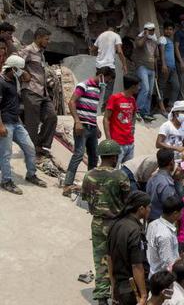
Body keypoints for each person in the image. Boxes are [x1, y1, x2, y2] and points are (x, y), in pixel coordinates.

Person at [81, 139, 130, 305]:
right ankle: (117, 302)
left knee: (100, 262)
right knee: (118, 262)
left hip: (98, 224)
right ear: (115, 156)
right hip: (117, 224)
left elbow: (85, 199)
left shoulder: (89, 176)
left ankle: (102, 303)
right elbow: (128, 201)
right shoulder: (120, 176)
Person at [63, 66, 116, 195]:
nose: (107, 83)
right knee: (78, 154)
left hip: (91, 126)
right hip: (82, 126)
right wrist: (77, 121)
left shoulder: (98, 89)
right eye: (107, 80)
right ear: (102, 75)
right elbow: (71, 103)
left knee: (94, 157)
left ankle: (90, 185)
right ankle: (67, 185)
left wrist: (96, 127)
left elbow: (91, 111)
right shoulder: (84, 85)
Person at [0, 54, 48, 194]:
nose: (22, 71)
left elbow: (27, 78)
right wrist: (1, 126)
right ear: (13, 68)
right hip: (6, 123)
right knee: (6, 154)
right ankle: (6, 181)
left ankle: (31, 174)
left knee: (30, 148)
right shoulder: (1, 83)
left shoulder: (15, 78)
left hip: (16, 122)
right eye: (19, 69)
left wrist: (20, 72)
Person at [107, 191, 151, 305]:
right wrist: (143, 295)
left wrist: (113, 285)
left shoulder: (116, 224)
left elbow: (109, 258)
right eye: (148, 207)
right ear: (141, 209)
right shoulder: (135, 231)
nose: (150, 209)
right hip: (132, 289)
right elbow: (137, 266)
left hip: (120, 286)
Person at [19, 27, 58, 157]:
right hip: (31, 90)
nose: (48, 41)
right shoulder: (28, 50)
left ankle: (40, 144)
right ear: (39, 38)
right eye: (46, 39)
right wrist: (23, 73)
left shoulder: (41, 52)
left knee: (52, 116)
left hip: (43, 92)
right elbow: (13, 63)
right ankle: (32, 148)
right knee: (32, 122)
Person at [105, 74, 140, 166]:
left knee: (127, 170)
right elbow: (106, 119)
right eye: (138, 86)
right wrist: (108, 139)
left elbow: (133, 114)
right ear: (133, 87)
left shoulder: (132, 100)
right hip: (117, 142)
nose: (139, 88)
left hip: (130, 142)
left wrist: (133, 127)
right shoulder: (115, 98)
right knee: (113, 169)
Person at [92, 21, 128, 107]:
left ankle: (93, 105)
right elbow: (119, 51)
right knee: (109, 87)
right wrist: (124, 64)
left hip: (100, 67)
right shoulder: (116, 36)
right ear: (115, 28)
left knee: (100, 86)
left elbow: (93, 49)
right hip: (109, 68)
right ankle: (105, 109)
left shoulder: (101, 36)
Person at [147, 195, 184, 275]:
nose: (183, 213)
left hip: (153, 271)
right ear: (175, 213)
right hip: (163, 278)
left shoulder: (152, 224)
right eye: (182, 211)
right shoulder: (165, 235)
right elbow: (168, 264)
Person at [134, 22, 161, 121]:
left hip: (152, 69)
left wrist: (156, 72)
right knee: (145, 88)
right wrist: (145, 36)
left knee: (150, 92)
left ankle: (145, 112)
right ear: (145, 30)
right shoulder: (139, 39)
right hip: (142, 67)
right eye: (150, 30)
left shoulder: (154, 41)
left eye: (153, 30)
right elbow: (139, 45)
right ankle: (136, 110)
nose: (152, 31)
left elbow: (155, 57)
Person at [146, 149, 178, 221]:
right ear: (171, 163)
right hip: (161, 221)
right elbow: (170, 208)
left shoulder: (151, 178)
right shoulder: (167, 184)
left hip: (151, 218)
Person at [159, 22, 181, 106]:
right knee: (161, 87)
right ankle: (161, 107)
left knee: (176, 86)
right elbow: (162, 52)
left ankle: (170, 105)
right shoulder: (162, 39)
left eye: (170, 29)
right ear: (163, 30)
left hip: (172, 68)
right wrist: (164, 65)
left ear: (173, 31)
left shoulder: (170, 40)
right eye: (167, 29)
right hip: (166, 66)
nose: (168, 31)